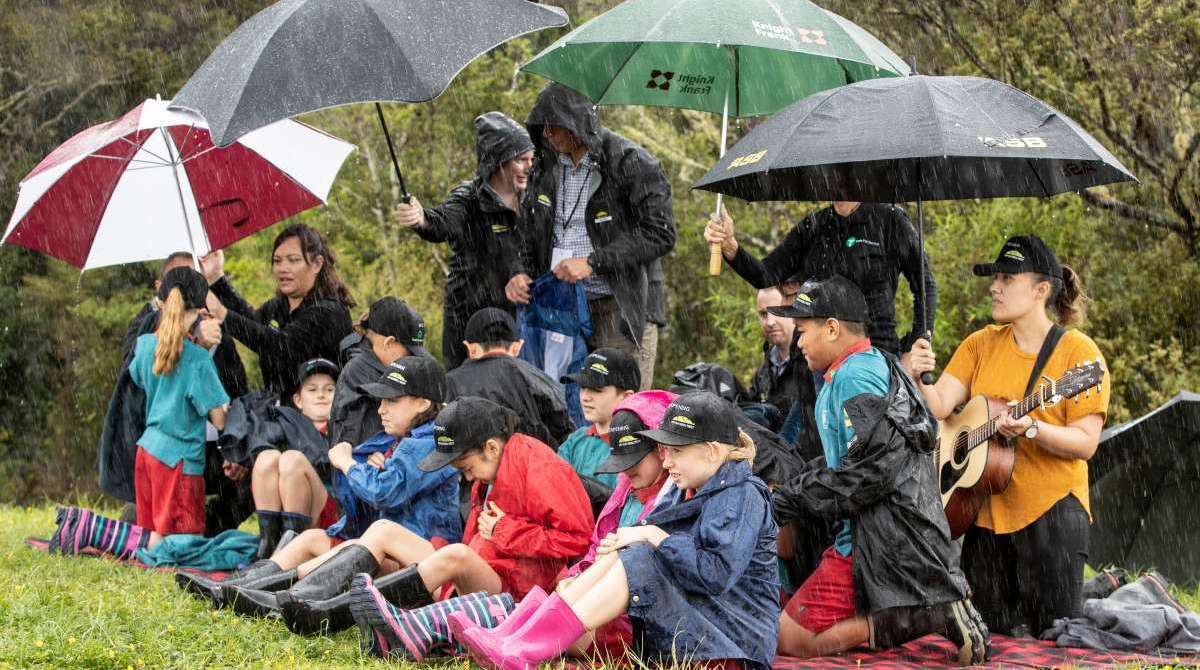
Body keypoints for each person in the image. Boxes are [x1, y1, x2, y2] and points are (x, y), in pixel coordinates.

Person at [448, 391, 780, 670]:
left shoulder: (742, 494)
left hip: (735, 647)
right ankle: (514, 639)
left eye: (676, 452)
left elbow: (715, 574)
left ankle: (525, 649)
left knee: (638, 554)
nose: (666, 463)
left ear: (711, 451)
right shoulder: (697, 486)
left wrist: (653, 536)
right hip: (707, 635)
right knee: (629, 551)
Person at [767, 276, 988, 665]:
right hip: (884, 532)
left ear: (832, 327)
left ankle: (922, 614)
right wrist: (789, 488)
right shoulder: (870, 363)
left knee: (790, 637)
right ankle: (918, 607)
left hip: (884, 541)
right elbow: (851, 460)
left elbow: (869, 471)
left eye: (803, 331)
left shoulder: (856, 376)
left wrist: (785, 502)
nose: (798, 343)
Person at [906, 235, 1110, 638]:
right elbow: (940, 406)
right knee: (988, 636)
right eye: (994, 277)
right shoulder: (980, 344)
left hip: (1050, 516)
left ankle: (1105, 591)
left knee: (1057, 638)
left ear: (1041, 290)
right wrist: (915, 375)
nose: (994, 287)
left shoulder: (1078, 354)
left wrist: (1032, 428)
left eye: (1006, 278)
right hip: (984, 514)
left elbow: (1086, 443)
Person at [202, 356, 464, 636]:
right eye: (381, 401)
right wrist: (372, 467)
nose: (381, 410)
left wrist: (348, 463)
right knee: (314, 538)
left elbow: (382, 493)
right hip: (398, 553)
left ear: (423, 403)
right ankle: (244, 586)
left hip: (422, 562)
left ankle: (278, 597)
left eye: (392, 401)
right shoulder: (406, 440)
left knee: (369, 537)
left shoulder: (426, 442)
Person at [345, 396, 595, 661]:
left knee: (457, 556)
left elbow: (577, 539)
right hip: (480, 579)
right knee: (385, 529)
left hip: (517, 597)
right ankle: (320, 606)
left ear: (491, 447)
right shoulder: (492, 469)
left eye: (466, 468)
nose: (466, 477)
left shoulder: (540, 467)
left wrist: (505, 531)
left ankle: (388, 620)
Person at [505, 82, 676, 387]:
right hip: (562, 311)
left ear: (575, 122)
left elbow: (660, 233)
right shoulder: (544, 168)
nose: (547, 135)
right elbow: (528, 233)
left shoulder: (631, 162)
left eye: (552, 127)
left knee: (621, 412)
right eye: (541, 128)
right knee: (569, 405)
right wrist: (519, 272)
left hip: (619, 308)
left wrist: (594, 262)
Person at [51, 268, 230, 557]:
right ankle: (92, 528)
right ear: (200, 311)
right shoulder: (198, 360)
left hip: (147, 452)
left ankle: (92, 532)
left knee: (150, 535)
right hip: (180, 460)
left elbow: (146, 375)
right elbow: (220, 419)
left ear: (160, 303)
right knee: (184, 545)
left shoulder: (144, 346)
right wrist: (226, 404)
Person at [704, 201, 936, 359]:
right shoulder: (814, 225)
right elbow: (765, 274)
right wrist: (731, 247)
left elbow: (924, 284)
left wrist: (915, 342)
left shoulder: (890, 219)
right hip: (819, 356)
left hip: (875, 352)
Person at [395, 111, 534, 370]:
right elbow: (442, 223)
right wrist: (420, 218)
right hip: (468, 317)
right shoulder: (468, 198)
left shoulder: (536, 198)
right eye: (520, 160)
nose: (529, 167)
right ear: (499, 161)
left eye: (531, 159)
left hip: (519, 318)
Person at [203, 223, 355, 400]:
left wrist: (223, 314)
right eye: (277, 261)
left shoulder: (330, 311)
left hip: (324, 419)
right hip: (280, 416)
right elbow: (251, 324)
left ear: (317, 264)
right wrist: (216, 278)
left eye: (293, 260)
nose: (283, 268)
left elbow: (281, 346)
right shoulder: (277, 307)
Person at [247, 358, 340, 559]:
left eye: (329, 389)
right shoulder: (284, 425)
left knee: (292, 459)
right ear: (298, 400)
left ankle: (292, 547)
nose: (321, 395)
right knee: (267, 457)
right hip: (283, 509)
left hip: (331, 513)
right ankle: (268, 546)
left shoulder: (347, 430)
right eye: (312, 390)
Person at [446, 307, 573, 447]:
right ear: (517, 347)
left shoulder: (449, 383)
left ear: (470, 348)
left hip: (469, 465)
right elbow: (564, 433)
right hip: (529, 464)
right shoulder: (538, 378)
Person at [330, 297, 429, 450]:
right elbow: (349, 435)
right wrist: (371, 454)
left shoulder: (387, 366)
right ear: (389, 343)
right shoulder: (359, 373)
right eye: (409, 352)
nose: (414, 360)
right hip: (365, 465)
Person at [556, 348, 640, 488]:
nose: (585, 397)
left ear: (627, 397)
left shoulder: (636, 448)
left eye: (596, 390)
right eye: (582, 387)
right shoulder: (575, 439)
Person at [748, 286, 807, 433]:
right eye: (763, 314)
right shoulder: (762, 373)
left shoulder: (811, 365)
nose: (769, 322)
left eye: (776, 312)